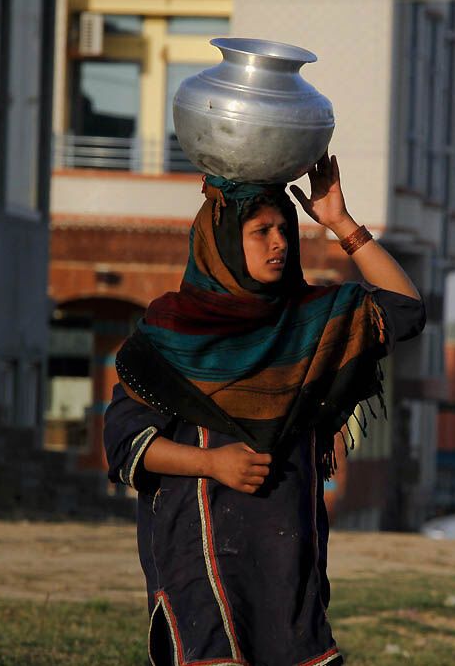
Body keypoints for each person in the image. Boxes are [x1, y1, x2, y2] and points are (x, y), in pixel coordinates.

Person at [104, 153, 425, 666]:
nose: (279, 242)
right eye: (261, 232)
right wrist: (212, 463)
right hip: (199, 556)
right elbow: (124, 444)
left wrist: (340, 222)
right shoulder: (172, 332)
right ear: (225, 241)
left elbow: (406, 310)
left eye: (284, 229)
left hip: (288, 561)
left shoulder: (314, 323)